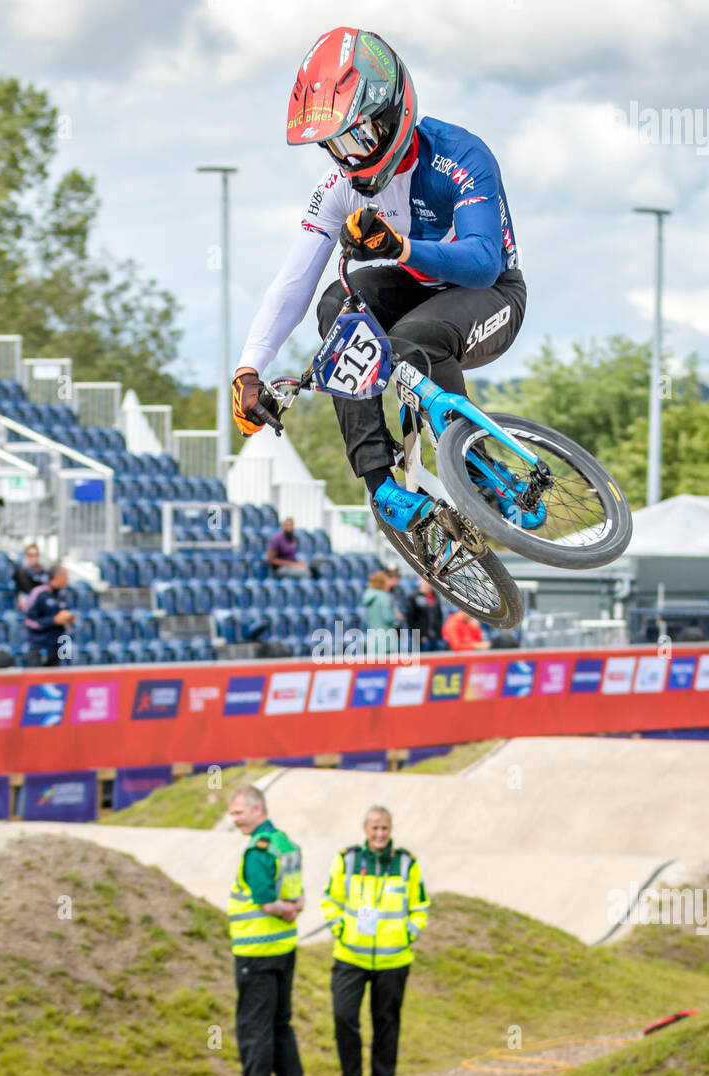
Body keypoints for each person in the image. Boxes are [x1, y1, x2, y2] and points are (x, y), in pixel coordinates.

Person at [231, 27, 526, 538]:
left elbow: (482, 261)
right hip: (416, 289)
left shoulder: (460, 154)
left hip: (491, 293)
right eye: (334, 146)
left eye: (358, 138)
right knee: (337, 306)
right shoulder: (338, 189)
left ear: (392, 115)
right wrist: (250, 366)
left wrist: (401, 248)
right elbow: (292, 284)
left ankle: (473, 459)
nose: (349, 158)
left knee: (413, 343)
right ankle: (380, 483)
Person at [319, 805, 429, 1076]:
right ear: (365, 830)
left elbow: (419, 907)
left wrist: (409, 932)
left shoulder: (407, 863)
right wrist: (340, 928)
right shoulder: (348, 859)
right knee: (344, 1018)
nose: (380, 834)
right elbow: (330, 900)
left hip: (393, 960)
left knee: (386, 1023)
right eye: (374, 828)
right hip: (351, 956)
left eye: (384, 828)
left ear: (390, 830)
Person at [224, 785, 309, 1076]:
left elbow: (262, 899)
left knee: (254, 1027)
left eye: (238, 813)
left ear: (258, 809)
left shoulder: (258, 851)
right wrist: (294, 908)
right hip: (284, 949)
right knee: (280, 1024)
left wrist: (283, 909)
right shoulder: (285, 844)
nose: (235, 820)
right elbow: (298, 894)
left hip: (256, 953)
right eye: (232, 815)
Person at [23, 563, 75, 666]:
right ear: (58, 577)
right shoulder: (40, 593)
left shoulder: (62, 595)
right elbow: (29, 621)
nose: (67, 580)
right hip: (39, 649)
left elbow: (65, 622)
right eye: (66, 576)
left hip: (56, 649)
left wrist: (69, 619)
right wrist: (54, 620)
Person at [405, 577, 444, 651]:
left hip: (435, 637)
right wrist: (420, 636)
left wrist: (439, 634)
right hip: (422, 639)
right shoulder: (414, 596)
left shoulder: (435, 596)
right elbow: (411, 619)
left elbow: (439, 616)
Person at [362, 569, 400, 643]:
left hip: (373, 637)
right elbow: (388, 617)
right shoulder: (384, 597)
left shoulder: (370, 595)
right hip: (385, 638)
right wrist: (397, 617)